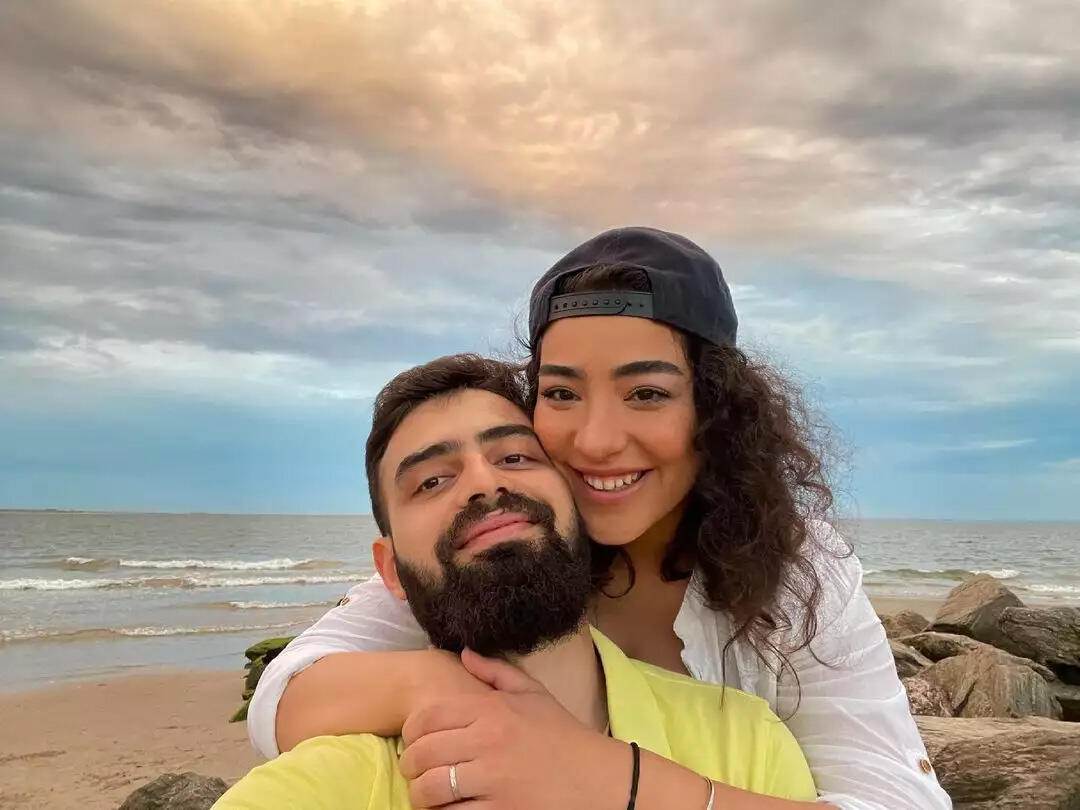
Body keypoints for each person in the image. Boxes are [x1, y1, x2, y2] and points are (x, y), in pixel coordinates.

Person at [247, 228, 951, 809]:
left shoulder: (795, 573)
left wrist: (612, 778)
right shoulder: (519, 544)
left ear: (715, 408)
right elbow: (287, 691)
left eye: (646, 393)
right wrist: (454, 692)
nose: (596, 441)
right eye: (561, 393)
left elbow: (897, 796)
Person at [216, 354, 817, 809]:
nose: (483, 483)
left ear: (583, 507)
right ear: (391, 570)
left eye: (514, 457)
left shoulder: (745, 742)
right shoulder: (329, 785)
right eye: (431, 481)